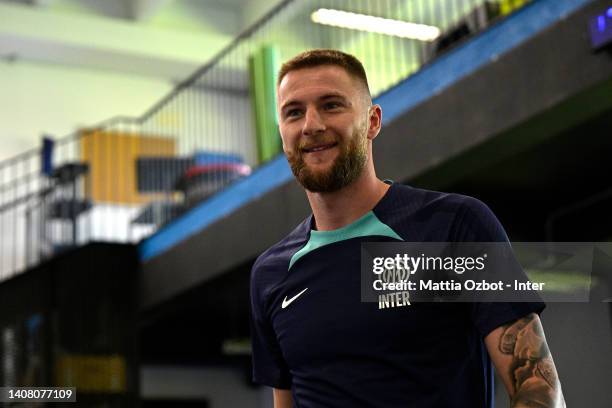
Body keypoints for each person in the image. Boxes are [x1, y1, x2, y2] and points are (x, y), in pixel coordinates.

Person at [249, 49, 565, 408]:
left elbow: (538, 389)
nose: (311, 125)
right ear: (283, 133)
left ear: (372, 121)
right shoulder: (270, 274)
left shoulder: (454, 226)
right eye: (294, 112)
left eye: (332, 105)